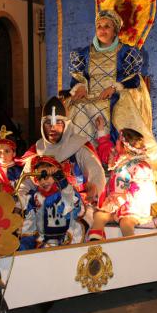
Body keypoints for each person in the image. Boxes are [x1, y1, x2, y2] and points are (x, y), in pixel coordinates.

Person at [66, 9, 157, 160]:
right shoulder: (84, 54)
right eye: (99, 26)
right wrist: (81, 86)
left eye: (107, 26)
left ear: (115, 31)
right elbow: (78, 77)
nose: (102, 30)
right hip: (90, 94)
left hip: (115, 94)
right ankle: (84, 158)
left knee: (106, 107)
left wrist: (114, 87)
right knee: (77, 107)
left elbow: (133, 79)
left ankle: (111, 157)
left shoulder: (126, 52)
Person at [21, 96, 106, 228]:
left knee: (79, 228)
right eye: (48, 123)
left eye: (58, 123)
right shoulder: (36, 151)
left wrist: (93, 188)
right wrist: (20, 200)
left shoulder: (79, 146)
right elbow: (24, 183)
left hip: (76, 205)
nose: (52, 128)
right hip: (43, 206)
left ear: (66, 125)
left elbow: (96, 172)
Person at [87, 116, 157, 240]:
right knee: (99, 215)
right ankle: (95, 239)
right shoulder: (119, 160)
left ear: (125, 147)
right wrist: (101, 130)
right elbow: (105, 151)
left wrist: (114, 203)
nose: (115, 145)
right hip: (116, 201)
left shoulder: (134, 167)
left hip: (132, 204)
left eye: (118, 143)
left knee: (126, 222)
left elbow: (129, 193)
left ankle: (129, 243)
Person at [26, 155, 85, 247]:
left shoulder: (64, 190)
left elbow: (73, 206)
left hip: (65, 232)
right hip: (45, 237)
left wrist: (62, 181)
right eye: (40, 178)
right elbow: (29, 222)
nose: (44, 181)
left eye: (47, 176)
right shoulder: (35, 196)